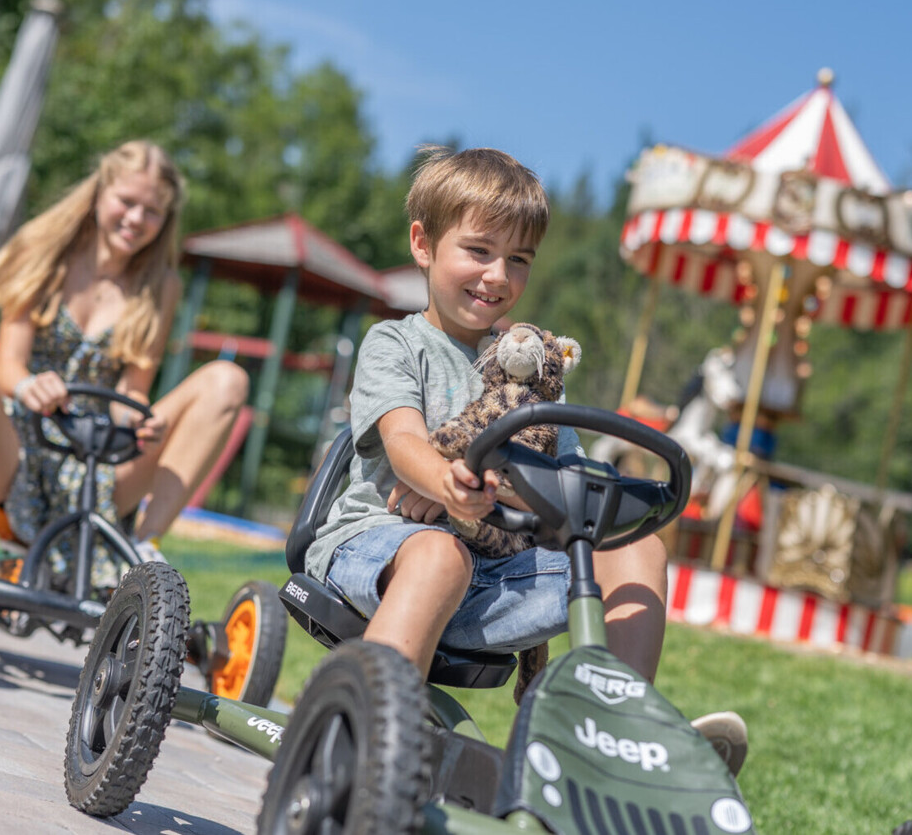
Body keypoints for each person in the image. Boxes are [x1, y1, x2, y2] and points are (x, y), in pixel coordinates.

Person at [305, 146, 747, 774]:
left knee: (636, 548)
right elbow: (403, 442)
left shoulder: (537, 373)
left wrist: (499, 490)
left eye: (518, 261)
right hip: (377, 548)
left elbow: (564, 485)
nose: (497, 276)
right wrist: (445, 481)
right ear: (423, 244)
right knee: (439, 553)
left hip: (492, 572)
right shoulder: (397, 343)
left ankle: (614, 738)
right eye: (479, 251)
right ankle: (361, 740)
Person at [0, 139, 248, 566]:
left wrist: (138, 419)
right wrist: (28, 386)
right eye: (126, 202)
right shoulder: (44, 250)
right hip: (18, 446)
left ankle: (144, 554)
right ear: (99, 193)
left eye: (152, 212)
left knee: (229, 380)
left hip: (97, 460)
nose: (135, 219)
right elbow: (8, 365)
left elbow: (132, 392)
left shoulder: (161, 286)